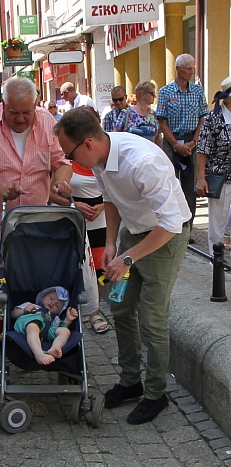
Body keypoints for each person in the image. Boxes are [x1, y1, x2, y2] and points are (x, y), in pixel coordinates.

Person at [56, 108, 191, 425]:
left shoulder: (141, 161)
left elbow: (170, 224)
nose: (69, 162)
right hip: (134, 234)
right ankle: (131, 382)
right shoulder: (101, 158)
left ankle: (156, 394)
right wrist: (113, 243)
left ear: (87, 144)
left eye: (69, 154)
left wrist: (128, 258)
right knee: (120, 305)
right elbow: (112, 200)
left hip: (164, 239)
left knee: (152, 318)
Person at [0, 77, 73, 322]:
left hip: (36, 218)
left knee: (33, 279)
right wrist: (1, 186)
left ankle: (28, 330)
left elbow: (61, 162)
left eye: (27, 112)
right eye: (14, 112)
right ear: (2, 105)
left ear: (35, 105)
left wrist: (61, 181)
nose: (21, 119)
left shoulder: (46, 120)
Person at [156, 54, 209, 231]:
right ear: (178, 69)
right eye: (188, 69)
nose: (192, 72)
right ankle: (170, 226)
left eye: (193, 68)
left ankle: (188, 229)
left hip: (192, 141)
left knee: (189, 188)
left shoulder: (198, 91)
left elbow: (203, 118)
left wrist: (194, 141)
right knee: (169, 185)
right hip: (172, 142)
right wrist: (176, 145)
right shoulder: (165, 92)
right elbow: (162, 122)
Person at [70, 161, 110, 334]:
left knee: (100, 269)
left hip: (100, 219)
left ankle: (94, 311)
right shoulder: (66, 161)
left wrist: (102, 207)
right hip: (73, 219)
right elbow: (51, 190)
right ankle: (68, 310)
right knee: (73, 268)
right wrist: (74, 205)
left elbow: (114, 192)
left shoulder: (104, 163)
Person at [195, 76, 231, 254]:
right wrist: (201, 178)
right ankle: (216, 260)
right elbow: (202, 150)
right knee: (217, 222)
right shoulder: (213, 118)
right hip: (220, 176)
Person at [11, 286, 79, 365]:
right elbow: (13, 314)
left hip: (47, 331)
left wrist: (68, 320)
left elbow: (60, 327)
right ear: (42, 297)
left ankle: (54, 349)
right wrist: (23, 311)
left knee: (65, 331)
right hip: (27, 325)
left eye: (57, 306)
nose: (53, 303)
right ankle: (39, 354)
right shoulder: (31, 306)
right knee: (33, 325)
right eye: (51, 298)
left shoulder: (55, 318)